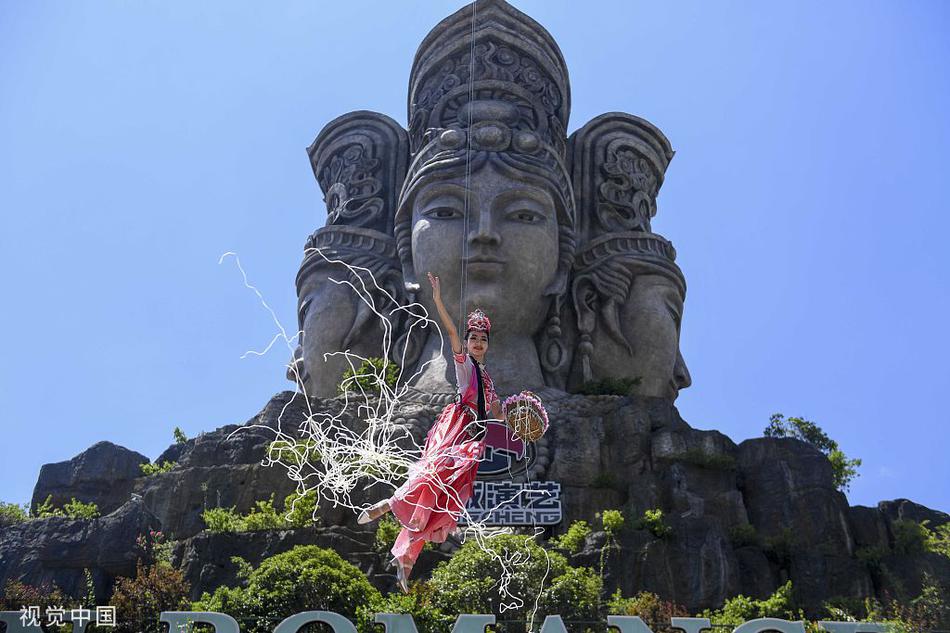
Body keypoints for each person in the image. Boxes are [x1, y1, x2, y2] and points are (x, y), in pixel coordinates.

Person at [357, 271, 502, 591]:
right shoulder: (467, 366)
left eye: (483, 339)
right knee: (431, 477)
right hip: (455, 428)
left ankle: (406, 561)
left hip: (473, 442)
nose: (477, 343)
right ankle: (388, 505)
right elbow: (450, 331)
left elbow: (499, 416)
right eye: (473, 338)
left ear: (488, 345)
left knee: (442, 503)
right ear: (468, 342)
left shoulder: (489, 382)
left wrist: (518, 421)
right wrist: (437, 298)